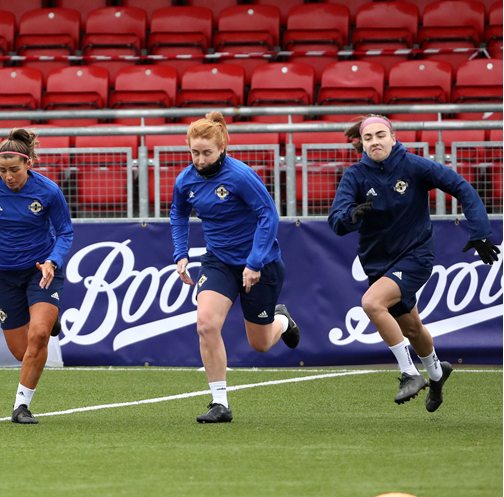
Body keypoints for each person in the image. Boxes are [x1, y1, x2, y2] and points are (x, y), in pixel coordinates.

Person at [329, 114, 499, 412]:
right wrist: (352, 215)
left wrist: (481, 232)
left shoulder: (414, 165)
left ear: (393, 138)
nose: (375, 142)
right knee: (412, 328)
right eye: (368, 138)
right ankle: (436, 373)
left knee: (371, 303)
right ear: (362, 143)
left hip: (416, 256)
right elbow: (336, 221)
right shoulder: (355, 175)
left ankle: (409, 372)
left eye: (381, 135)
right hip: (377, 263)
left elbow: (461, 187)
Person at [171, 111, 301, 424]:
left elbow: (268, 216)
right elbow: (178, 214)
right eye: (194, 152)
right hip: (218, 261)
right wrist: (181, 253)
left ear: (222, 147)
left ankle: (282, 321)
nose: (200, 159)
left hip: (261, 264)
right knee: (205, 324)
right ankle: (219, 403)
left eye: (207, 153)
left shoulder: (240, 176)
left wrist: (254, 262)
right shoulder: (185, 180)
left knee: (260, 344)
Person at [0, 128, 74, 425]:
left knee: (38, 335)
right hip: (4, 275)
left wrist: (53, 260)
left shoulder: (48, 191)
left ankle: (20, 407)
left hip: (42, 272)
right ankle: (49, 322)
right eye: (2, 170)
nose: (8, 176)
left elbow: (65, 231)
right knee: (22, 352)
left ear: (28, 164)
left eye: (14, 170)